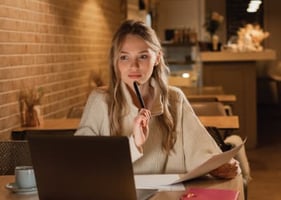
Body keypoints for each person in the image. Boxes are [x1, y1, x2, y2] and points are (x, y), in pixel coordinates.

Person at [75, 19, 238, 179]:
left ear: (158, 57)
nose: (134, 66)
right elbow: (80, 163)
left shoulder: (175, 98)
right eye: (124, 57)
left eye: (143, 56)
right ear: (115, 61)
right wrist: (134, 145)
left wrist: (218, 165)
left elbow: (199, 149)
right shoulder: (100, 101)